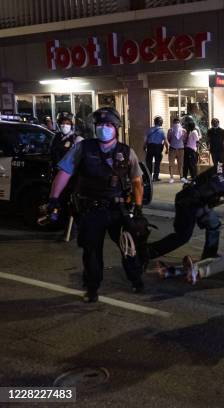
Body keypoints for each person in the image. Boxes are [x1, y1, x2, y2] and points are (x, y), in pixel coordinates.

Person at [46, 107, 146, 303]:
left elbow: (136, 182)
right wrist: (53, 199)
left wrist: (139, 208)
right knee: (91, 252)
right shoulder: (83, 148)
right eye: (100, 125)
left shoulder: (127, 152)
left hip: (118, 210)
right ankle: (92, 288)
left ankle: (136, 280)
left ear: (116, 128)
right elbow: (64, 174)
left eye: (108, 125)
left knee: (129, 247)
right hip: (91, 210)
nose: (104, 128)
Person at [147, 160, 224, 262]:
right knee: (182, 236)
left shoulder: (223, 167)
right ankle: (148, 252)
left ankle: (209, 256)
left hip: (196, 201)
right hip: (188, 203)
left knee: (214, 224)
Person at [145, 116, 168, 182]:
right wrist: (167, 149)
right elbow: (165, 141)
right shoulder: (162, 131)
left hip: (150, 147)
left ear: (155, 122)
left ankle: (148, 177)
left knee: (149, 162)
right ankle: (155, 177)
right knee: (157, 163)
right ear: (161, 122)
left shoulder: (150, 129)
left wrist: (144, 146)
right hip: (158, 147)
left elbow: (146, 139)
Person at [167, 118, 186, 183]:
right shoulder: (170, 130)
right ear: (173, 123)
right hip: (172, 148)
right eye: (175, 122)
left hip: (181, 149)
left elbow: (185, 139)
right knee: (171, 163)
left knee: (181, 164)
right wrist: (173, 143)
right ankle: (171, 177)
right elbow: (168, 139)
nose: (176, 124)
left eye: (178, 122)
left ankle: (181, 177)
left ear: (180, 123)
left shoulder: (183, 130)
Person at [183, 116, 201, 181]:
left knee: (187, 163)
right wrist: (197, 150)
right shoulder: (194, 132)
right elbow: (197, 141)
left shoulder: (190, 132)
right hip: (191, 149)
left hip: (187, 149)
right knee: (192, 163)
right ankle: (194, 176)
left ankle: (185, 176)